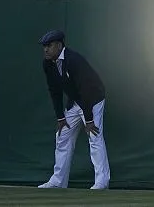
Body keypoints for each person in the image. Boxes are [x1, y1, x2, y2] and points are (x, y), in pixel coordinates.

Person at [37, 30, 110, 190]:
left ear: (58, 45)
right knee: (62, 136)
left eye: (49, 45)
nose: (46, 49)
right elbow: (54, 90)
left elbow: (86, 90)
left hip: (93, 98)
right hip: (76, 101)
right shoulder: (47, 63)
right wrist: (60, 117)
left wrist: (89, 120)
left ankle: (102, 182)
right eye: (44, 46)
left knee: (94, 135)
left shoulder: (74, 60)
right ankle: (58, 181)